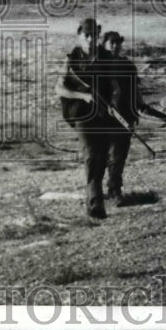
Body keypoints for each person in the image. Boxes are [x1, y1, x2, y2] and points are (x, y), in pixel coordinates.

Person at [55, 18, 118, 219]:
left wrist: (114, 100)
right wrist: (83, 95)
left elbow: (115, 85)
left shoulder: (106, 57)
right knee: (91, 155)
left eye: (94, 36)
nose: (91, 40)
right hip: (82, 114)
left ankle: (95, 195)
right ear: (79, 35)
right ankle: (95, 203)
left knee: (101, 157)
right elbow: (59, 88)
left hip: (104, 114)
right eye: (87, 35)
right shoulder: (71, 59)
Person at [101, 30, 166, 207]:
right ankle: (109, 190)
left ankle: (113, 189)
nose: (115, 45)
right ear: (105, 44)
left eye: (118, 42)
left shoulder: (127, 65)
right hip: (106, 117)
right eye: (112, 42)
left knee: (119, 155)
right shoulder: (99, 65)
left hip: (127, 115)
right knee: (109, 155)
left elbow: (135, 91)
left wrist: (143, 106)